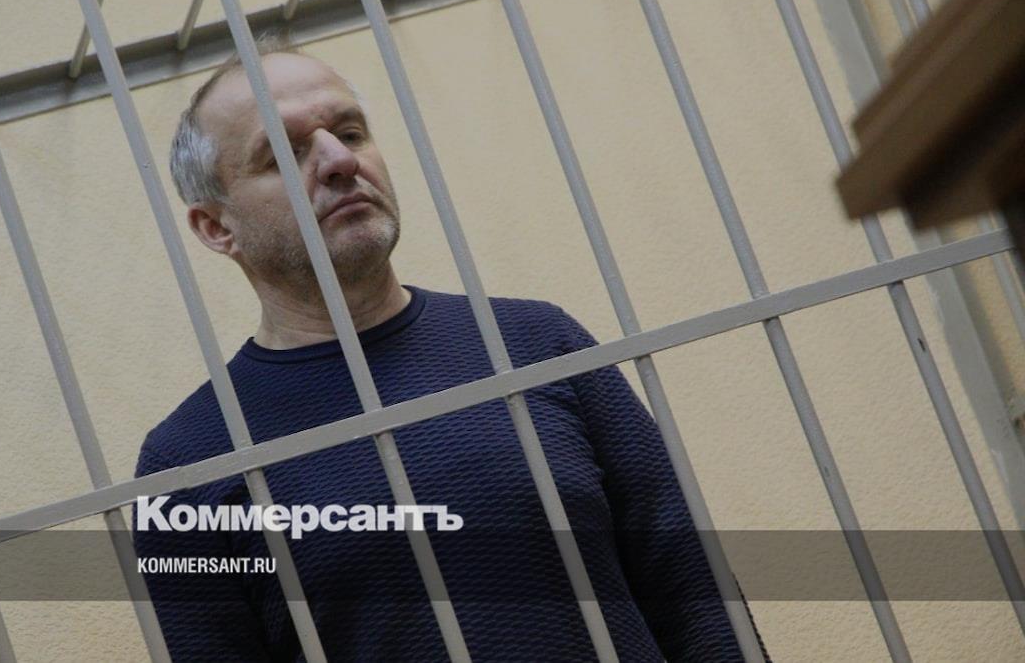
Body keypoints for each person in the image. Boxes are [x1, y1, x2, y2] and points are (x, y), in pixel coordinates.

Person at [133, 40, 763, 662]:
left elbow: (696, 595)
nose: (339, 161)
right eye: (283, 153)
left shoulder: (538, 342)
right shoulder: (186, 464)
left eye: (350, 133)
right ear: (217, 227)